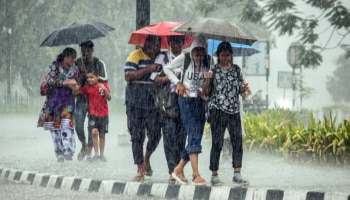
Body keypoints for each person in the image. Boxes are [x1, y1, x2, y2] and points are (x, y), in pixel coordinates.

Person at [164, 35, 210, 185]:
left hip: (200, 102)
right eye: (196, 50)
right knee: (193, 135)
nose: (199, 54)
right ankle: (196, 175)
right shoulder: (184, 58)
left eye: (202, 51)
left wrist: (207, 82)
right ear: (192, 50)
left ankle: (178, 168)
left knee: (195, 137)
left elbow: (208, 88)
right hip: (185, 101)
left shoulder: (209, 62)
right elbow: (167, 68)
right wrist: (178, 83)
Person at [202, 41, 250, 186]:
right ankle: (214, 174)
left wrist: (244, 90)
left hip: (234, 110)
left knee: (237, 142)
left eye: (228, 55)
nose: (225, 58)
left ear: (231, 55)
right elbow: (206, 93)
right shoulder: (213, 70)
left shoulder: (236, 70)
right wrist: (208, 79)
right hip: (217, 110)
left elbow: (241, 89)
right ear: (218, 55)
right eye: (222, 55)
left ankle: (237, 173)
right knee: (217, 143)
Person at [124, 35, 163, 181]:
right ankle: (140, 168)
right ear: (145, 44)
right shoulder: (135, 55)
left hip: (153, 103)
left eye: (157, 43)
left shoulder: (161, 57)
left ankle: (147, 157)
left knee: (155, 134)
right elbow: (128, 76)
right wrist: (149, 69)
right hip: (135, 102)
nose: (154, 46)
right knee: (137, 136)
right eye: (151, 43)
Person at [151, 36, 186, 183]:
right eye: (173, 42)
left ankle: (179, 168)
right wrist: (170, 78)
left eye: (179, 42)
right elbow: (154, 79)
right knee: (169, 136)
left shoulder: (187, 58)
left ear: (183, 43)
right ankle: (172, 169)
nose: (176, 45)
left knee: (181, 138)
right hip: (167, 103)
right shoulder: (162, 58)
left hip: (184, 101)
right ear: (169, 43)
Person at [37, 47, 79, 162]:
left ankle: (68, 151)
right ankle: (59, 154)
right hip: (53, 102)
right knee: (55, 130)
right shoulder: (54, 66)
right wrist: (64, 83)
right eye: (71, 57)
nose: (73, 60)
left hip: (68, 102)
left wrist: (74, 87)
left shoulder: (75, 69)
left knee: (67, 126)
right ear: (65, 57)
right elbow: (50, 81)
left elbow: (77, 85)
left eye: (75, 58)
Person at [75, 40, 108, 161]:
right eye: (83, 50)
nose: (85, 53)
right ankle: (84, 144)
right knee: (78, 123)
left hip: (94, 98)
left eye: (88, 50)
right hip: (82, 97)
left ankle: (90, 149)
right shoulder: (78, 63)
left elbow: (105, 79)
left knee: (92, 125)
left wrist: (91, 76)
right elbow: (75, 80)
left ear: (92, 50)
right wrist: (80, 74)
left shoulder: (99, 63)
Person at [75, 71, 111, 162]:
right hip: (93, 114)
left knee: (102, 134)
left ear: (97, 77)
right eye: (88, 78)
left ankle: (101, 155)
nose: (89, 79)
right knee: (94, 133)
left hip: (103, 114)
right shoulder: (88, 88)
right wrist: (74, 85)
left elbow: (109, 98)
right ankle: (96, 154)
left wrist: (105, 90)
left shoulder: (103, 86)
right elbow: (77, 91)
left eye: (91, 77)